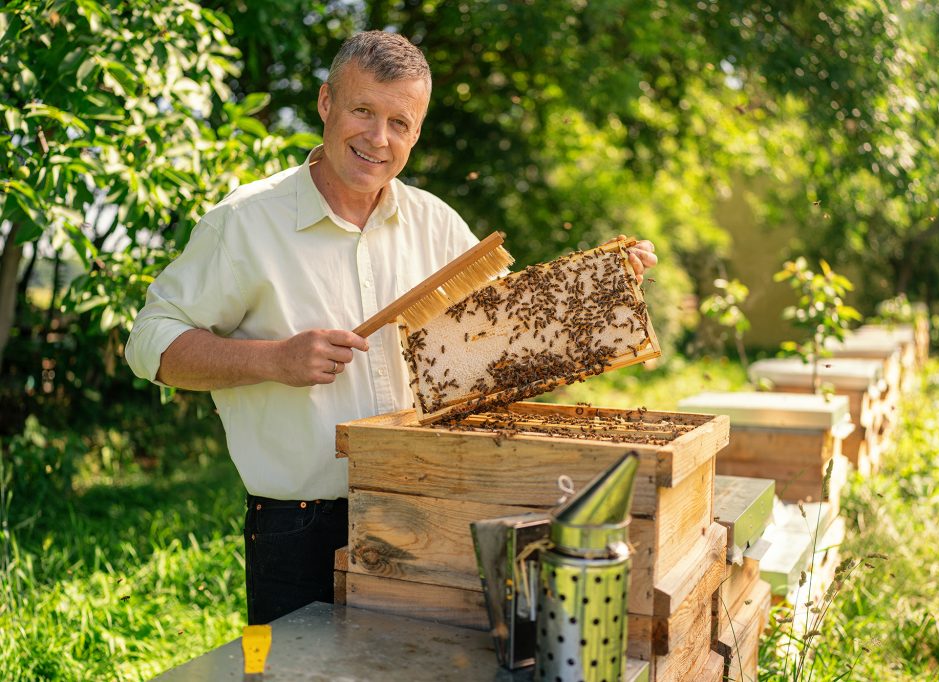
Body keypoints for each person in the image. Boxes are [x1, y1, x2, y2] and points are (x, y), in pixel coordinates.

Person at [126, 30, 657, 626]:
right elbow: (149, 342)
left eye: (400, 122)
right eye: (363, 111)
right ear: (326, 103)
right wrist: (271, 360)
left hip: (431, 505)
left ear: (418, 130)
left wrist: (608, 285)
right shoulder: (245, 223)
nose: (379, 139)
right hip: (300, 524)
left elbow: (510, 339)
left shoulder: (436, 223)